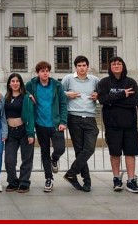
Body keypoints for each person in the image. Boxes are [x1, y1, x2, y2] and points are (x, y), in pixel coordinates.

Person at [97, 56, 138, 193]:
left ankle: (131, 179)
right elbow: (102, 100)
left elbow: (133, 102)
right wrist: (122, 94)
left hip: (130, 124)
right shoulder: (104, 82)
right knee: (114, 152)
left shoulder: (131, 82)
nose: (116, 66)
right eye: (113, 64)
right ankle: (116, 178)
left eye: (119, 63)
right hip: (112, 124)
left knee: (130, 152)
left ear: (123, 66)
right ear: (110, 67)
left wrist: (112, 100)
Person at [25, 61, 68, 193]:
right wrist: (28, 95)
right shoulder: (31, 84)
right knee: (44, 151)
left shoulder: (56, 85)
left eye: (47, 71)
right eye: (42, 71)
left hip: (55, 124)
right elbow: (23, 94)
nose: (45, 73)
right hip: (40, 124)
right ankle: (48, 179)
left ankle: (54, 159)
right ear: (38, 72)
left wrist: (63, 121)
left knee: (60, 148)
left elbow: (63, 103)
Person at [61, 55, 100, 192]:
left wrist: (98, 96)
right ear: (75, 67)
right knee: (79, 150)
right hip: (74, 118)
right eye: (79, 66)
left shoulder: (95, 80)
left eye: (84, 65)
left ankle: (71, 172)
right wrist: (68, 95)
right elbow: (59, 93)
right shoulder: (68, 79)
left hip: (90, 118)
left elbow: (102, 93)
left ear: (87, 67)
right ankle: (87, 181)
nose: (82, 68)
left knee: (89, 149)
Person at [3, 73, 34, 193]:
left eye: (17, 81)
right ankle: (13, 181)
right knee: (9, 159)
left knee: (26, 158)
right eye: (12, 81)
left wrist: (31, 133)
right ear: (9, 84)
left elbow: (30, 115)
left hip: (24, 130)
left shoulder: (26, 97)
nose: (15, 83)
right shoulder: (6, 98)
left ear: (20, 83)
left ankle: (24, 182)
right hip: (10, 132)